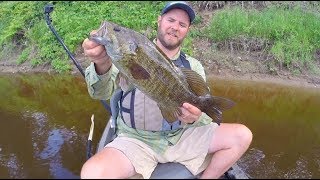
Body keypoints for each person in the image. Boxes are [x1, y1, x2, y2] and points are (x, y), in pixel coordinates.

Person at [80, 1, 252, 179]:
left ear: (187, 30)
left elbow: (204, 118)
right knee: (92, 174)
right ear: (159, 20)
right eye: (171, 20)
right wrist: (101, 64)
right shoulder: (121, 58)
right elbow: (99, 93)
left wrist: (195, 117)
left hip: (180, 137)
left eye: (182, 24)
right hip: (135, 141)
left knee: (242, 136)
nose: (175, 27)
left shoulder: (193, 66)